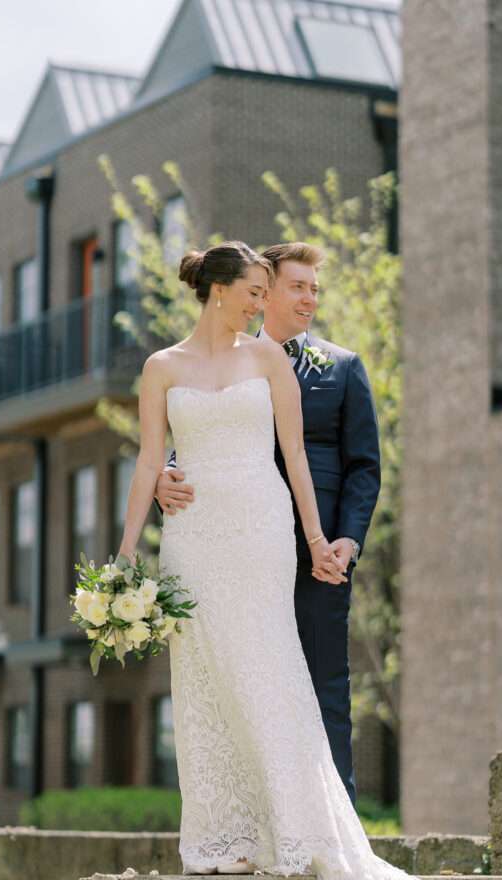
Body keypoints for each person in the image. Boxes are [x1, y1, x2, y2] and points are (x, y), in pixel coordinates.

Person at [118, 241, 422, 880]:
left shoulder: (270, 360)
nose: (264, 304)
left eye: (269, 291)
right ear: (219, 290)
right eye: (255, 291)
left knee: (273, 676)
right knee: (204, 679)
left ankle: (304, 827)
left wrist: (317, 538)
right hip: (192, 539)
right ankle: (224, 835)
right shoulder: (161, 368)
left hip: (260, 531)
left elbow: (295, 458)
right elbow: (146, 455)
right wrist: (127, 553)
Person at [156, 242, 380, 805]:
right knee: (242, 682)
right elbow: (198, 434)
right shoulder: (221, 358)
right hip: (234, 544)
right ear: (266, 290)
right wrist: (168, 476)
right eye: (297, 287)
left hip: (318, 551)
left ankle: (336, 825)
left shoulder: (344, 367)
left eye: (314, 289)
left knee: (324, 683)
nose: (308, 299)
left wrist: (345, 542)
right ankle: (259, 820)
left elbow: (363, 467)